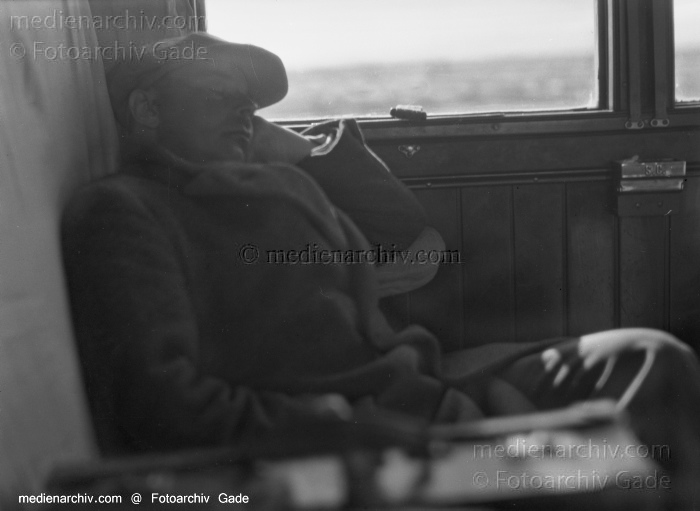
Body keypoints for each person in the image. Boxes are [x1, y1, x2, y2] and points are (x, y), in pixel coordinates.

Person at [62, 33, 700, 506]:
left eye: (250, 106)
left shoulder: (277, 186)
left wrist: (305, 153)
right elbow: (160, 402)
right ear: (147, 109)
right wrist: (341, 425)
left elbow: (397, 228)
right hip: (357, 434)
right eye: (220, 95)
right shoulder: (123, 211)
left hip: (425, 381)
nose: (244, 115)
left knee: (651, 358)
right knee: (611, 471)